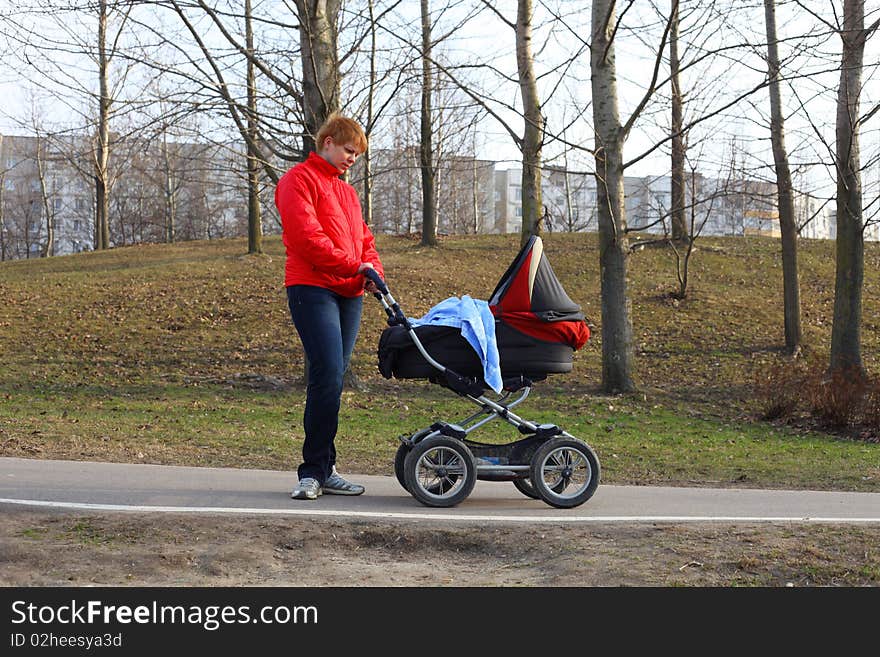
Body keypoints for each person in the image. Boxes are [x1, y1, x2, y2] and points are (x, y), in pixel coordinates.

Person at [274, 113, 384, 500]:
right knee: (327, 374)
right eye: (349, 150)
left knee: (333, 379)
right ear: (328, 141)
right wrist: (354, 265)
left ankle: (326, 467)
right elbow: (307, 239)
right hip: (312, 287)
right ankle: (312, 471)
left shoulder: (347, 193)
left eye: (358, 154)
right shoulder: (297, 181)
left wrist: (372, 271)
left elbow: (363, 239)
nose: (353, 158)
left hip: (350, 292)